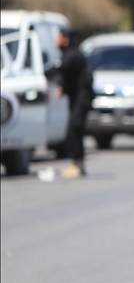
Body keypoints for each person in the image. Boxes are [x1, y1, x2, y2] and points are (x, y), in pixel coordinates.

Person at [48, 28, 94, 178]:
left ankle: (77, 164)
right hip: (76, 98)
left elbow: (63, 69)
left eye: (58, 37)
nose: (56, 40)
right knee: (75, 129)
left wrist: (47, 75)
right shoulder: (69, 54)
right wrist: (62, 86)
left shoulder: (72, 55)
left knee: (74, 129)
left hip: (82, 98)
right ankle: (77, 164)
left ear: (66, 39)